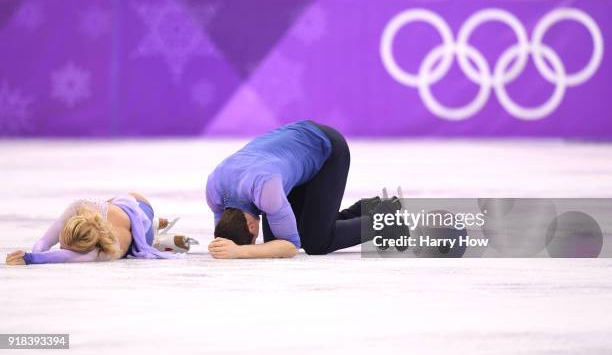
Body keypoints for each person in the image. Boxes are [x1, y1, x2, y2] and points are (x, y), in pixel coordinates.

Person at [206, 120, 400, 259]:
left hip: (326, 149)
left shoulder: (266, 191)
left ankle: (387, 220)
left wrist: (240, 252)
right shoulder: (213, 189)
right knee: (285, 237)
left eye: (253, 238)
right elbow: (222, 234)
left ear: (251, 227)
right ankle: (366, 208)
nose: (257, 239)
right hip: (293, 147)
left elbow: (290, 247)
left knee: (316, 242)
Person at [5, 192, 181, 265]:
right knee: (110, 204)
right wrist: (35, 252)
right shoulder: (79, 207)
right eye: (61, 241)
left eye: (64, 246)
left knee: (142, 245)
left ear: (90, 247)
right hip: (133, 200)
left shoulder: (110, 248)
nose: (60, 246)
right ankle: (156, 223)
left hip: (142, 223)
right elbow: (45, 240)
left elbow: (67, 257)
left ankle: (157, 234)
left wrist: (32, 258)